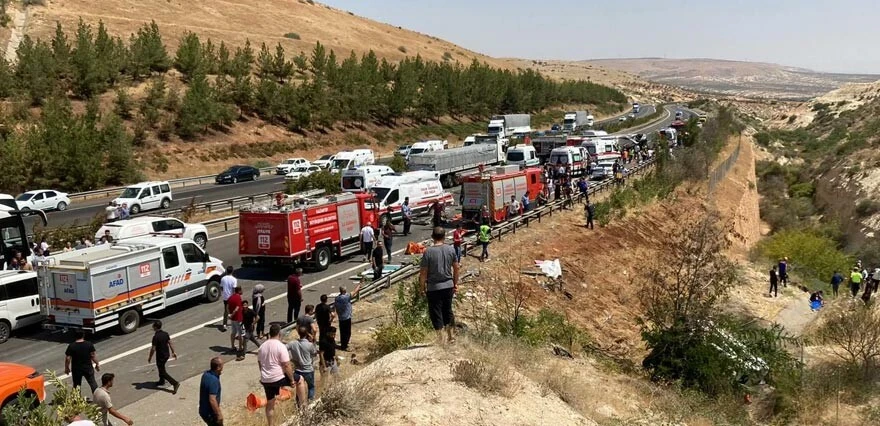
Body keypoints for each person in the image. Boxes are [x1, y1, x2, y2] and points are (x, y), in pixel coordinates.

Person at [420, 227, 459, 345]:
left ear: (432, 237)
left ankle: (440, 339)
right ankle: (451, 337)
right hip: (448, 285)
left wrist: (422, 288)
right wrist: (455, 283)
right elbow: (456, 268)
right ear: (444, 236)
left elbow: (423, 272)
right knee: (448, 310)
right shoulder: (451, 250)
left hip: (434, 287)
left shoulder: (428, 252)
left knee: (435, 312)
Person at [258, 324, 300, 426]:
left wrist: (263, 375)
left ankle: (270, 424)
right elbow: (286, 365)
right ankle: (302, 409)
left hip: (266, 379)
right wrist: (291, 380)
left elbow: (260, 363)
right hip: (278, 378)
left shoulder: (262, 347)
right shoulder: (280, 346)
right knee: (301, 380)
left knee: (270, 403)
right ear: (279, 334)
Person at [287, 325, 318, 402]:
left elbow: (284, 348)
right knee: (311, 387)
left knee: (299, 388)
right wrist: (313, 341)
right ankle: (310, 403)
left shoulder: (293, 343)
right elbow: (314, 353)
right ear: (307, 334)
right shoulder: (309, 345)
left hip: (298, 370)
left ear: (298, 333)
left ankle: (299, 405)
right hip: (308, 370)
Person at [148, 320, 180, 394]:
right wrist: (173, 352)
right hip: (166, 354)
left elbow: (153, 349)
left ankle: (175, 383)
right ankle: (161, 381)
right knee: (161, 367)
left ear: (155, 327)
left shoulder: (155, 337)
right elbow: (170, 343)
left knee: (162, 371)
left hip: (160, 356)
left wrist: (150, 357)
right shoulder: (165, 334)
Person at [65, 330, 100, 395]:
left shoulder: (71, 346)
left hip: (76, 369)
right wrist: (97, 364)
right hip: (88, 367)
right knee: (92, 383)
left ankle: (77, 401)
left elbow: (68, 358)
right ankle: (97, 397)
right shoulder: (89, 344)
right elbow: (93, 356)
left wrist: (67, 368)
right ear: (83, 335)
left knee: (76, 385)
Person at [334, 283, 361, 351]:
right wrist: (359, 285)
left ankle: (344, 344)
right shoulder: (346, 297)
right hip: (346, 317)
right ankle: (345, 346)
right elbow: (354, 292)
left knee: (342, 332)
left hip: (341, 317)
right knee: (347, 332)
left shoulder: (337, 298)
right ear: (345, 291)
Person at [199, 357, 224, 426]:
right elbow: (212, 399)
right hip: (210, 413)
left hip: (203, 410)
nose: (223, 367)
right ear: (218, 367)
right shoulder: (214, 381)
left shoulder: (206, 374)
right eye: (222, 365)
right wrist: (219, 414)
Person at [227, 286, 245, 360]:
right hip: (238, 318)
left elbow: (227, 307)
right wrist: (232, 314)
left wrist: (229, 314)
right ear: (239, 291)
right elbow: (237, 308)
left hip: (233, 319)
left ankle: (232, 346)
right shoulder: (238, 298)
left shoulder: (230, 297)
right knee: (240, 333)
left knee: (233, 332)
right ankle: (240, 347)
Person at [219, 266, 236, 332]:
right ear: (232, 271)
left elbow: (221, 287)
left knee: (226, 310)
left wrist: (224, 293)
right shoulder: (234, 279)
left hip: (225, 297)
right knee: (234, 310)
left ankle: (224, 324)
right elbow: (234, 289)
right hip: (231, 297)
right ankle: (234, 323)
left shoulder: (223, 278)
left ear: (226, 271)